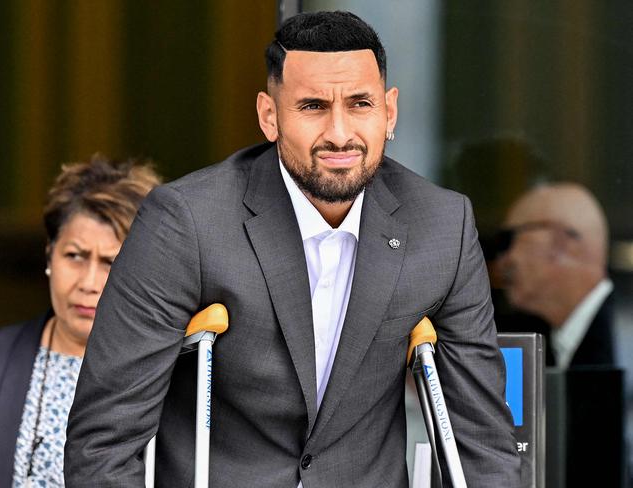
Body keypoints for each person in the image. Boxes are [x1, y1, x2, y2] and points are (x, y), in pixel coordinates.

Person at [65, 11, 521, 487]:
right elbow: (104, 442)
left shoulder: (443, 226)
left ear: (390, 112)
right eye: (312, 106)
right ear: (269, 116)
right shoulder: (187, 221)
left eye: (360, 104)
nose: (340, 134)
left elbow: (482, 439)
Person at [0, 155, 161, 487]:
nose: (89, 282)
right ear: (49, 254)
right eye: (75, 256)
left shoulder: (178, 374)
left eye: (111, 262)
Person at [494, 182, 614, 368]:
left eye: (509, 239)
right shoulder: (546, 341)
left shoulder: (624, 340)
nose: (503, 260)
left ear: (562, 243)